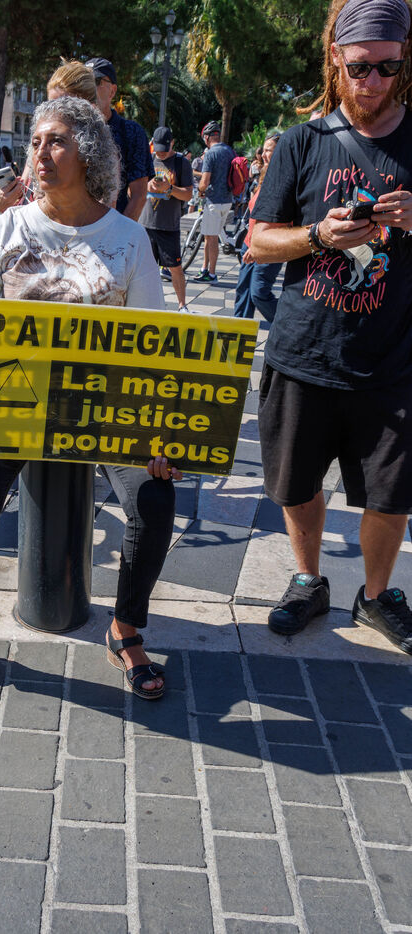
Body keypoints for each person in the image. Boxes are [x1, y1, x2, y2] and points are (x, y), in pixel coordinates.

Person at [0, 96, 180, 703]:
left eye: (57, 141)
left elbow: (152, 347)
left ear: (88, 153)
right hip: (18, 406)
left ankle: (125, 628)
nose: (40, 153)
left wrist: (155, 438)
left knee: (154, 498)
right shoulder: (3, 231)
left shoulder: (128, 239)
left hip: (107, 410)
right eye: (37, 142)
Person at [250, 0, 412, 653]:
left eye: (387, 67)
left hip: (393, 360)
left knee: (391, 496)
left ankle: (376, 596)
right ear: (335, 59)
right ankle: (308, 580)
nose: (372, 81)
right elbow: (257, 242)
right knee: (296, 485)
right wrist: (317, 235)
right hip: (303, 352)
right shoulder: (302, 142)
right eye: (359, 67)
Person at [0, 59, 97, 212]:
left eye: (65, 106)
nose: (54, 113)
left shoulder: (102, 159)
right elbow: (23, 205)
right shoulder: (38, 151)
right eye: (50, 105)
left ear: (89, 108)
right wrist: (4, 205)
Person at [85, 57, 154, 220]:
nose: (89, 88)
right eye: (84, 82)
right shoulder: (68, 129)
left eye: (96, 81)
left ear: (113, 91)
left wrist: (119, 232)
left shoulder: (131, 132)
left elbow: (139, 195)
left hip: (113, 227)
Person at [140, 126, 193, 313]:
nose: (160, 153)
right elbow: (133, 189)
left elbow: (188, 194)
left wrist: (169, 189)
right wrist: (147, 186)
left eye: (164, 149)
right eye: (157, 149)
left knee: (175, 268)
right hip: (145, 224)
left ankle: (182, 305)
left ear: (172, 143)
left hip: (169, 226)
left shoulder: (181, 163)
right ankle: (144, 304)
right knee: (143, 269)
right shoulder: (147, 159)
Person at [233, 132, 282, 321]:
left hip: (269, 244)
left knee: (259, 293)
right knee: (243, 291)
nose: (264, 155)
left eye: (269, 150)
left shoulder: (285, 176)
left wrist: (257, 247)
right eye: (264, 150)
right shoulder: (265, 173)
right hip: (250, 241)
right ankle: (238, 330)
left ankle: (286, 326)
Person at [192, 121, 234, 283]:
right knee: (210, 237)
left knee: (211, 238)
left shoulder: (210, 154)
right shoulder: (229, 151)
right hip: (227, 200)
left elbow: (204, 181)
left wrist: (200, 191)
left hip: (213, 201)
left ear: (207, 137)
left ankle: (211, 274)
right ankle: (204, 269)